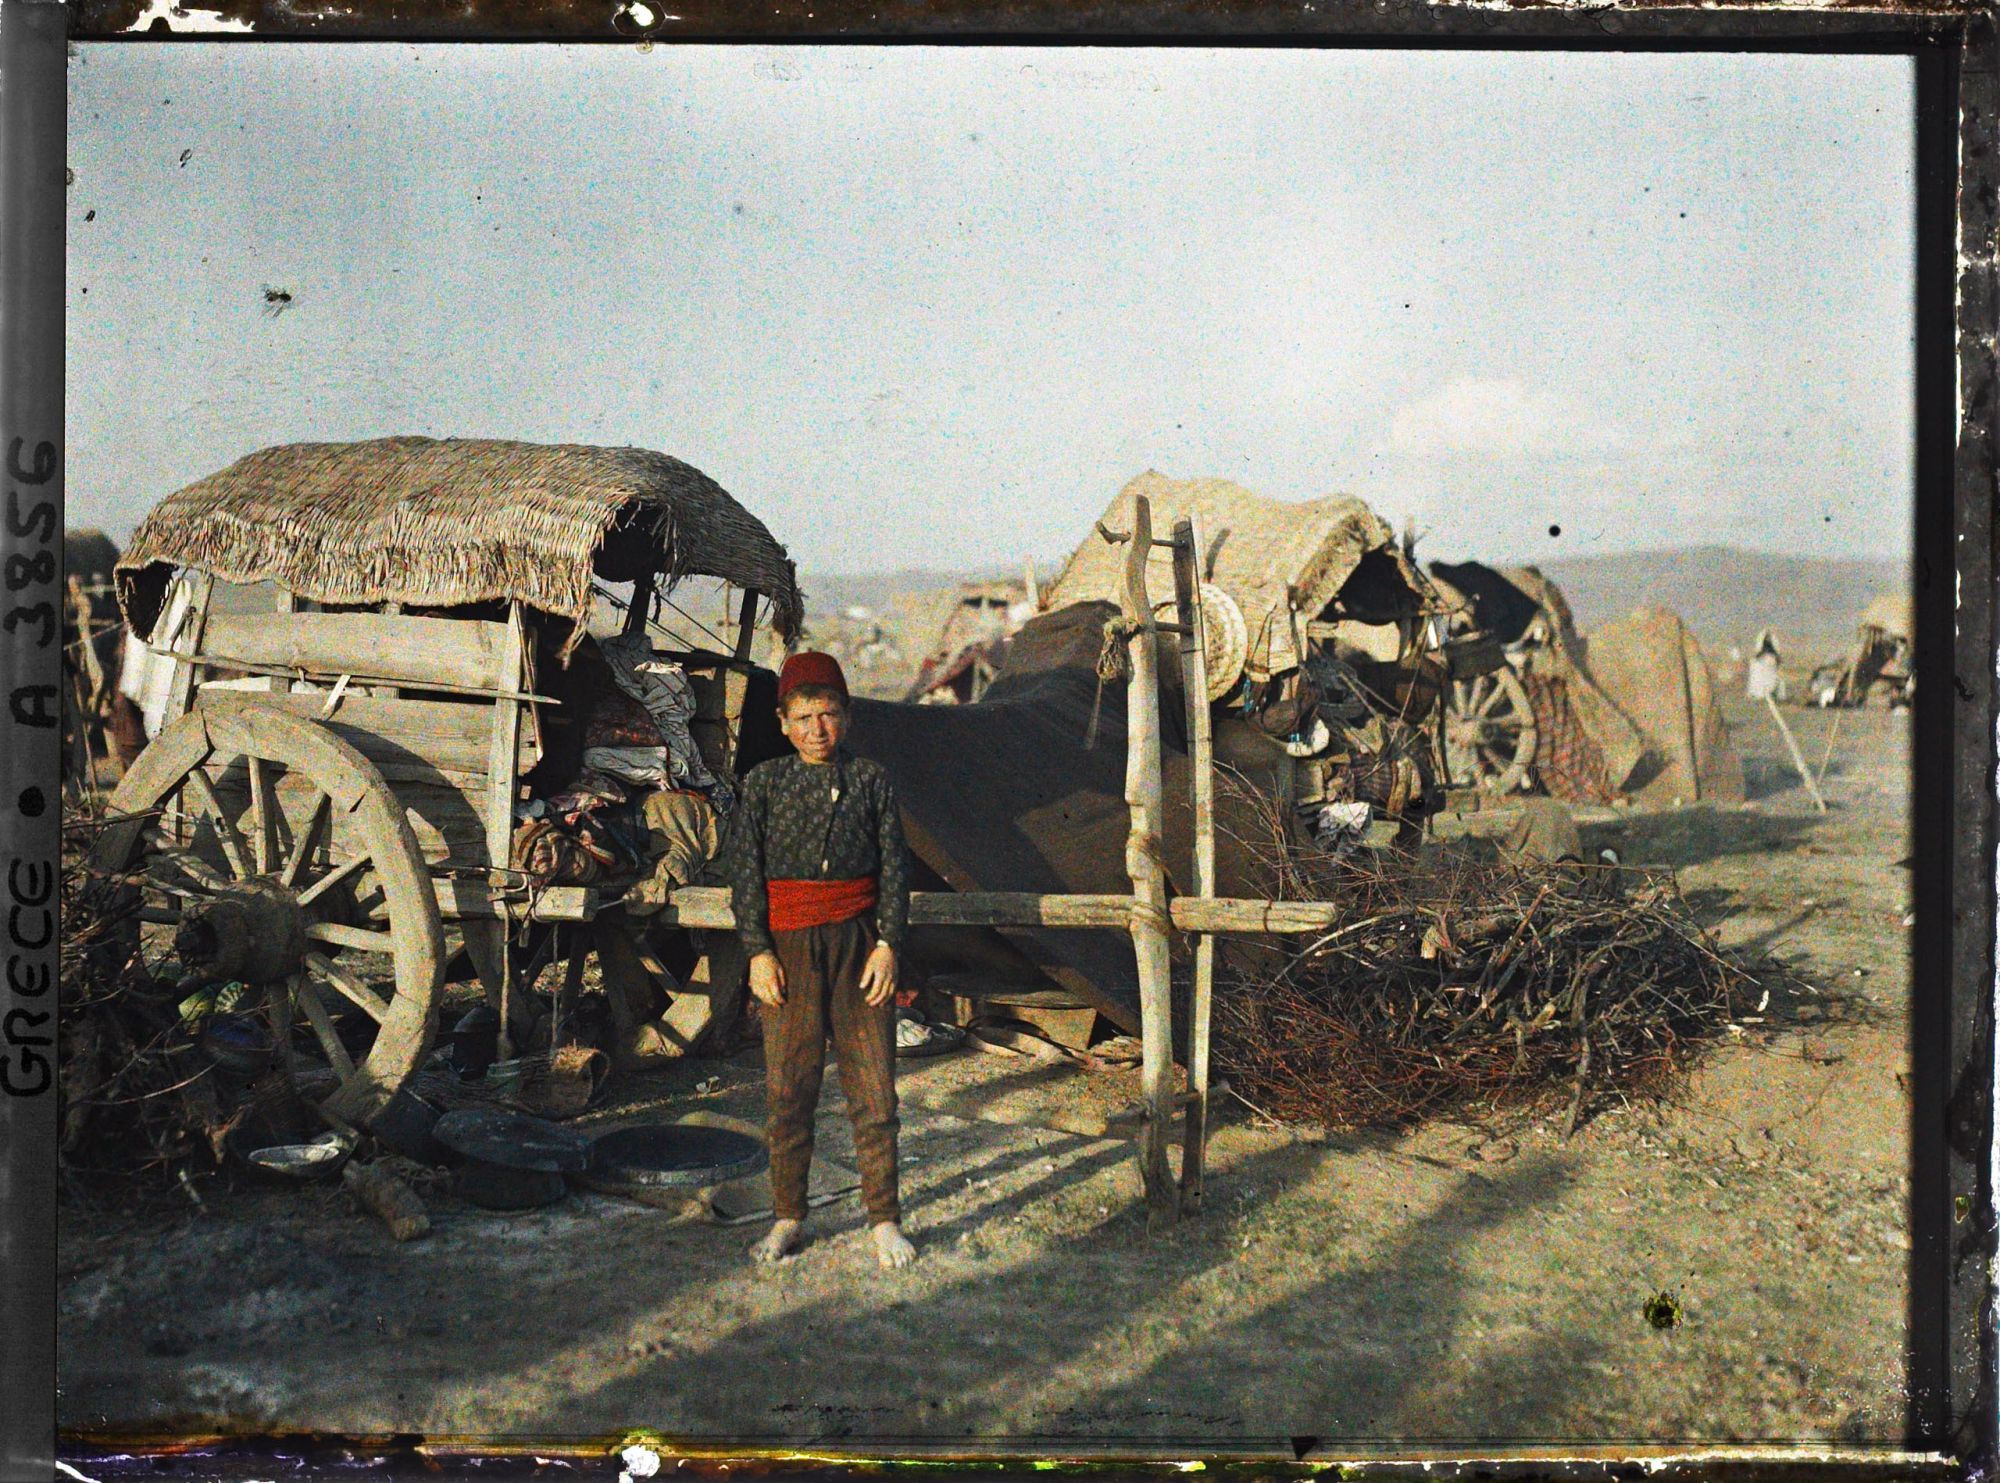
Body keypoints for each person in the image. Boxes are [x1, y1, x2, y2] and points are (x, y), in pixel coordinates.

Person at [726, 651, 915, 1269]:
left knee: (875, 1091)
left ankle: (884, 1219)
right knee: (789, 1089)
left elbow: (894, 872)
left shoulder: (872, 781)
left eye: (828, 714)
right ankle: (788, 1217)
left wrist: (888, 944)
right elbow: (745, 879)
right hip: (787, 952)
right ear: (783, 722)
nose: (817, 729)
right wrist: (757, 952)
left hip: (861, 949)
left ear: (847, 717)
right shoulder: (763, 784)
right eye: (804, 717)